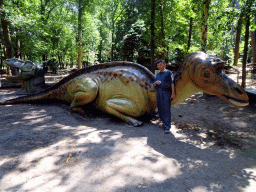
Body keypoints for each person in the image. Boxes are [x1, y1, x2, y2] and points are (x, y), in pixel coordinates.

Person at [154, 59, 176, 134]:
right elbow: (155, 86)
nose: (159, 67)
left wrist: (173, 93)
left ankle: (167, 127)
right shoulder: (157, 74)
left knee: (166, 109)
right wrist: (155, 84)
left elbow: (172, 83)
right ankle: (164, 123)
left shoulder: (168, 72)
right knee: (160, 109)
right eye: (157, 66)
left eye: (160, 65)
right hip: (159, 93)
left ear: (164, 64)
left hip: (166, 92)